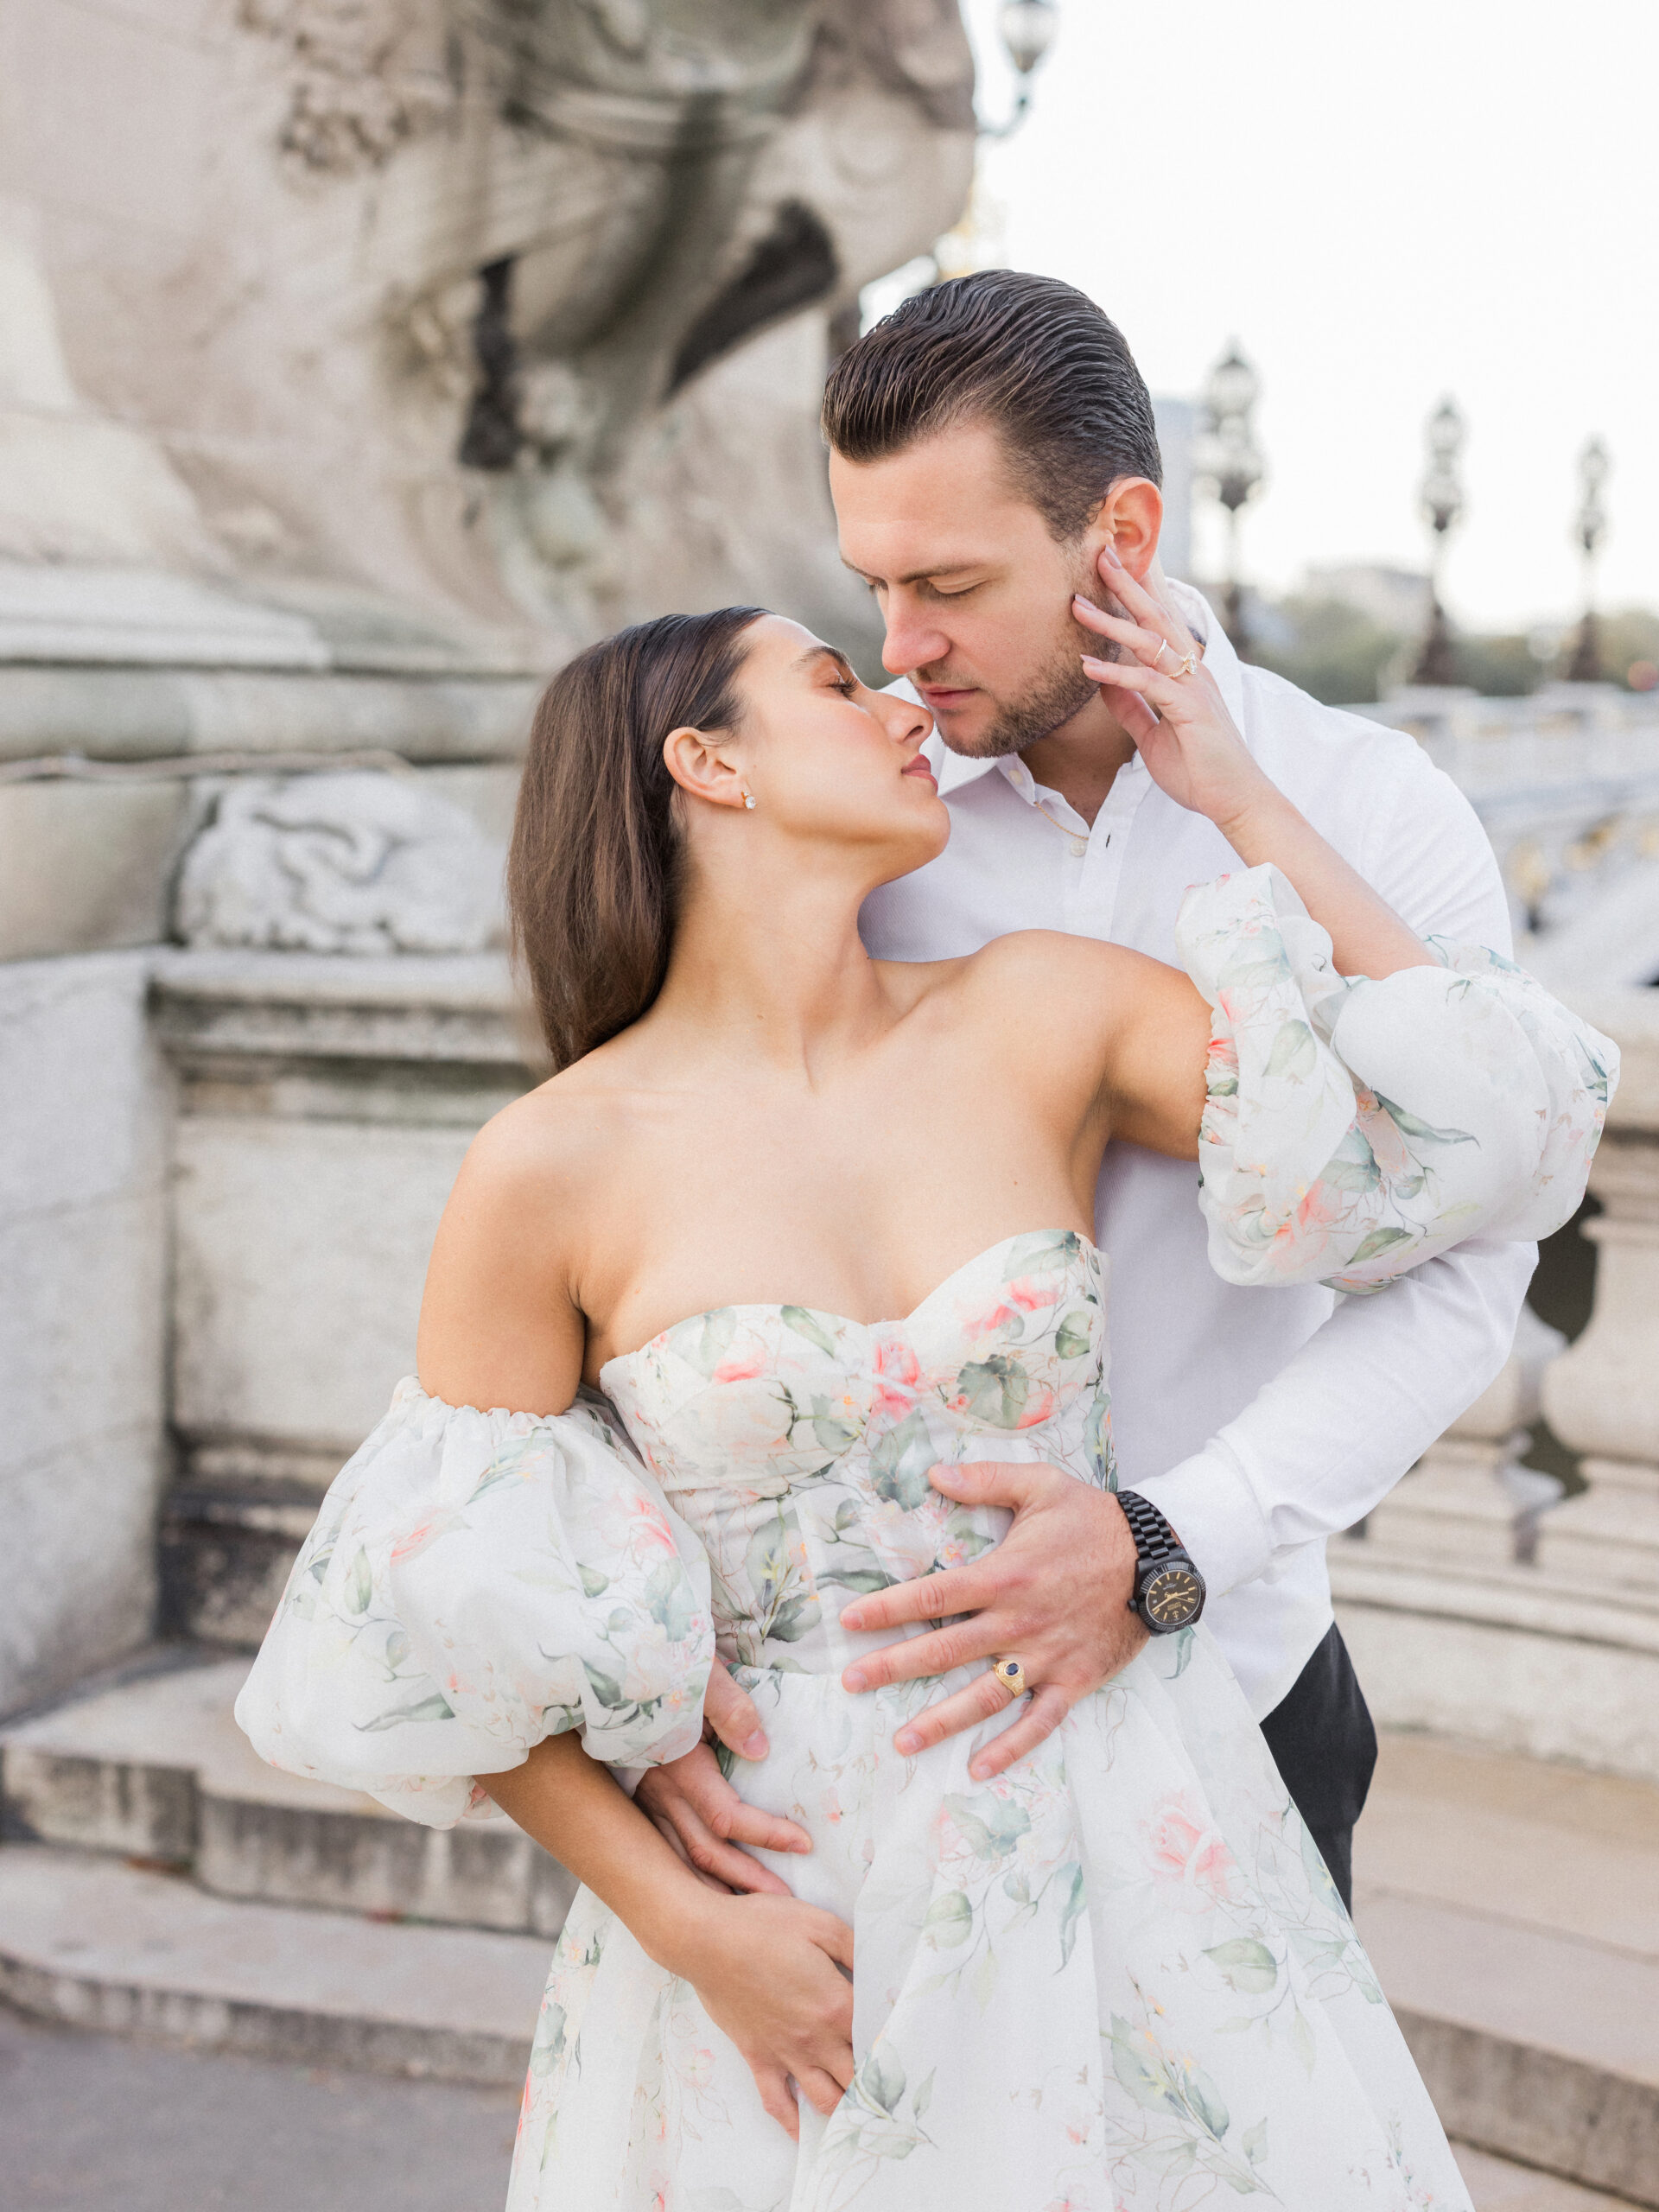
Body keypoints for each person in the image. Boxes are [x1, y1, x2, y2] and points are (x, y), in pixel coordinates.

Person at [238, 582, 1611, 2208]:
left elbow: (1461, 1141)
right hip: (780, 1899)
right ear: (708, 764)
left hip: (1124, 1817)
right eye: (834, 680)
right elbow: (434, 1627)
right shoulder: (548, 1166)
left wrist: (1234, 794)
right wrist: (688, 1929)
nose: (903, 697)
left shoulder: (1047, 1009)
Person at [630, 272, 1547, 1919]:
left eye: (953, 585)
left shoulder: (1373, 808)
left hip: (1246, 1680)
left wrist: (1166, 1539)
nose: (901, 651)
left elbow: (1470, 1264)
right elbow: (659, 1185)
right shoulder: (856, 818)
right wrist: (636, 1625)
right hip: (881, 1724)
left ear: (1120, 532)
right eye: (874, 587)